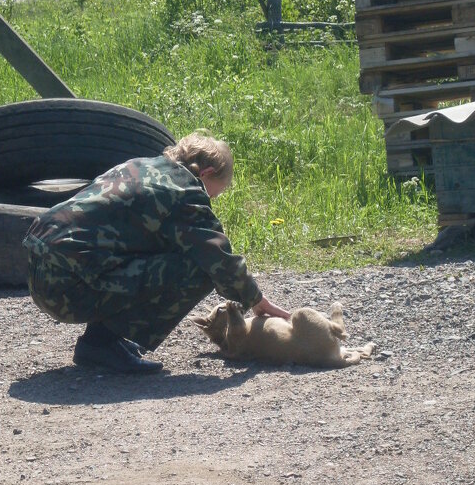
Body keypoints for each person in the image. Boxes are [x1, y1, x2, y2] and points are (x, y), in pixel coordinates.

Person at [23, 130, 290, 374]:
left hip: (38, 270)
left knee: (169, 250)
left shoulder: (136, 166)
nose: (211, 201)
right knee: (198, 269)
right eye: (214, 195)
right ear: (206, 173)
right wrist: (256, 300)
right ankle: (100, 343)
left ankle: (105, 340)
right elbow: (217, 258)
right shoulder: (184, 191)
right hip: (67, 286)